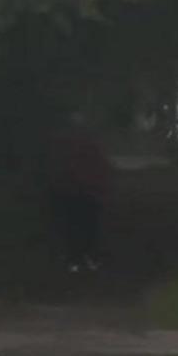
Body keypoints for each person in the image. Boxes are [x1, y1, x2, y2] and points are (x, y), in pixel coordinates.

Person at [46, 112, 113, 273]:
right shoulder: (80, 143)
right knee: (81, 226)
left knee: (79, 226)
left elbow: (99, 166)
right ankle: (80, 258)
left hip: (80, 191)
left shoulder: (73, 143)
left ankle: (80, 258)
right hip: (78, 191)